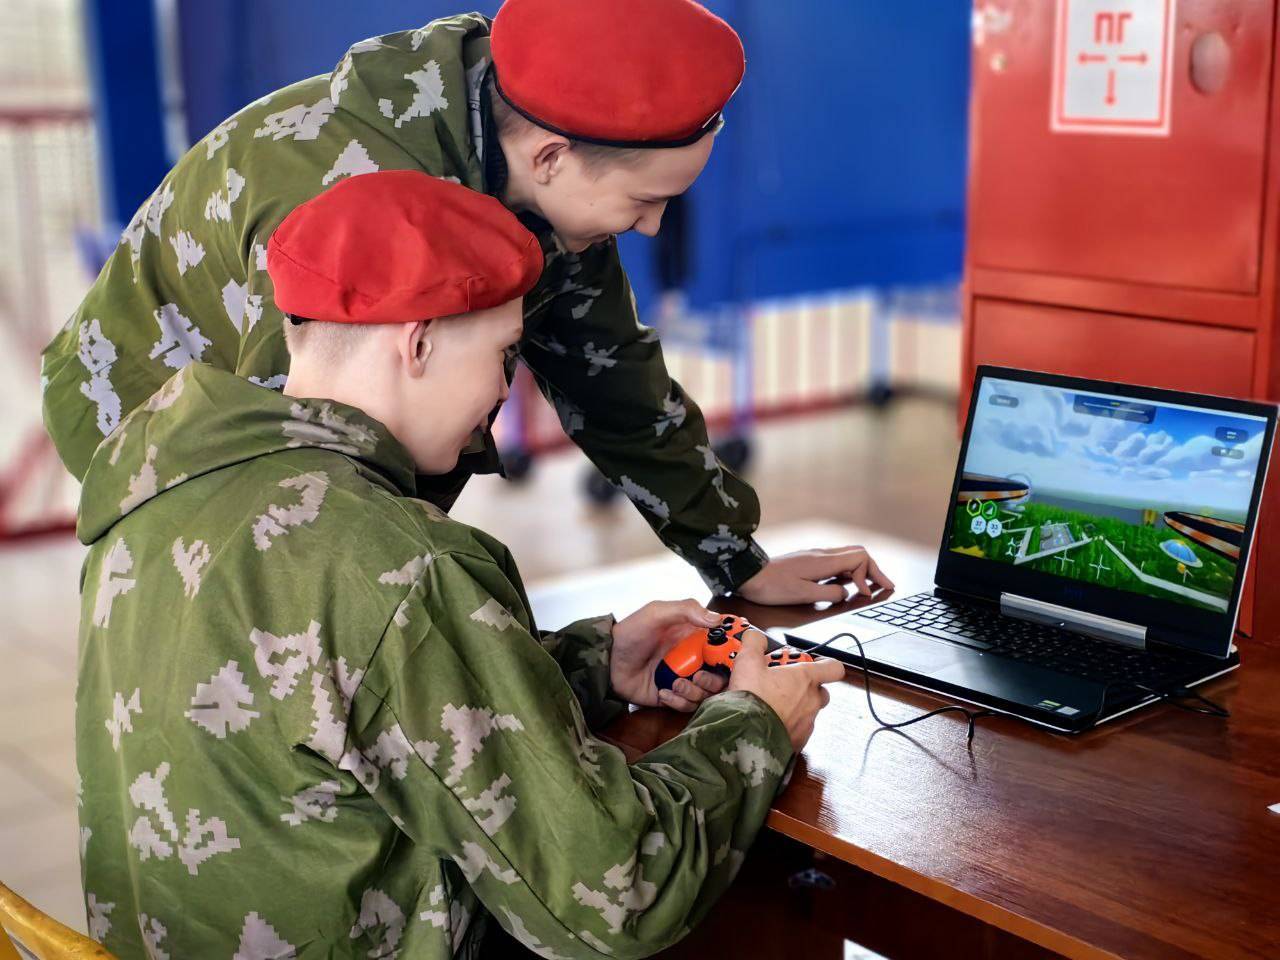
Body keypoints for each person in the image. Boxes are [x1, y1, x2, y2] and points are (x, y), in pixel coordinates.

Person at [75, 170, 847, 959]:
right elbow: (617, 896)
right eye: (504, 354)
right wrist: (755, 724)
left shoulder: (161, 495)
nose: (501, 396)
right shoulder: (397, 560)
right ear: (418, 344)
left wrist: (590, 662)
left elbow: (331, 703)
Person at [42, 0, 893, 607]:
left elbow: (615, 382)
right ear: (552, 157)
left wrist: (738, 562)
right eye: (644, 202)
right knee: (261, 637)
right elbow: (311, 495)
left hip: (298, 445)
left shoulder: (541, 150)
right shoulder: (353, 204)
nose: (651, 227)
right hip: (157, 408)